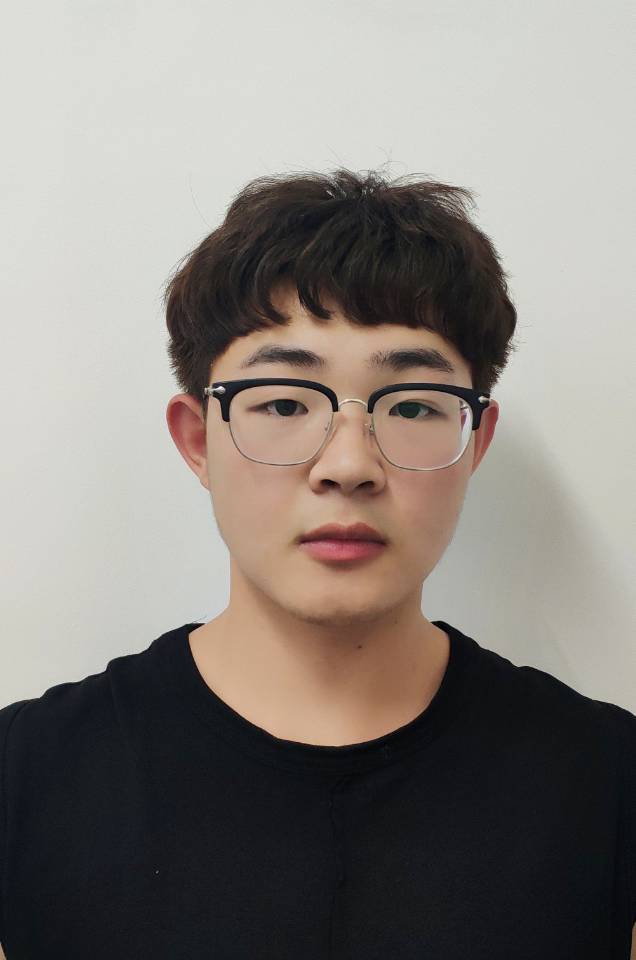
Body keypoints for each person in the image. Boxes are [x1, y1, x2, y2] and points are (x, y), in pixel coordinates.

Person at [1, 168, 634, 959]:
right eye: (284, 402)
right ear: (198, 440)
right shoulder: (25, 779)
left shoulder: (609, 784)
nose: (348, 466)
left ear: (475, 442)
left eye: (412, 405)